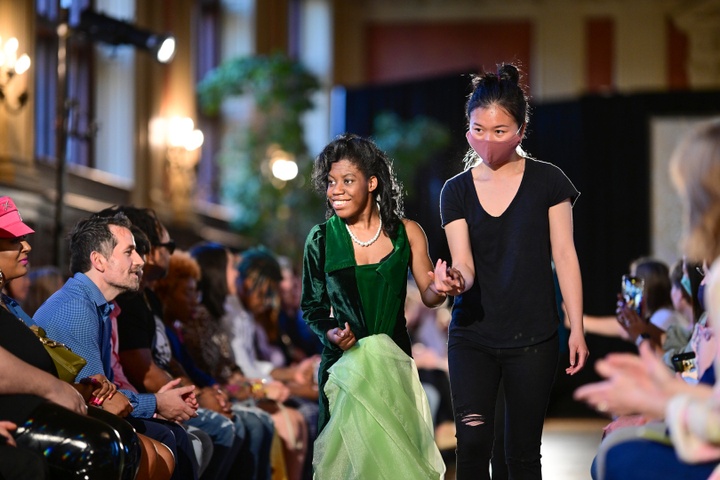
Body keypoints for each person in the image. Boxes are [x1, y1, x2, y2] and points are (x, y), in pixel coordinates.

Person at [431, 64, 589, 479]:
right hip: (472, 337)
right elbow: (463, 263)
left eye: (499, 131)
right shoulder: (456, 190)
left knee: (519, 455)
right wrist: (453, 281)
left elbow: (565, 255)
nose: (487, 140)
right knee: (473, 446)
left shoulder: (550, 182)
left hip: (534, 337)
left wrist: (576, 326)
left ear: (520, 129)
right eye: (477, 129)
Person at [573, 118, 720, 479]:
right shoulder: (687, 321)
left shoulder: (674, 321)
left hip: (698, 425)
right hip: (694, 407)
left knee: (616, 457)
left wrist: (658, 399)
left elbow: (686, 366)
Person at [301, 133, 446, 478]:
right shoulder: (321, 239)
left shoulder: (407, 233)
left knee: (399, 465)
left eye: (347, 180)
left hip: (394, 366)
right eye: (331, 182)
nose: (336, 190)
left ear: (372, 182)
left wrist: (441, 287)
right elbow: (312, 307)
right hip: (344, 371)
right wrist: (331, 332)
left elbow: (430, 294)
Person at [33, 212, 201, 480]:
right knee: (171, 438)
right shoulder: (76, 308)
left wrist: (159, 401)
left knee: (175, 436)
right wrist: (157, 401)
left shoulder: (98, 305)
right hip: (65, 421)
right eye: (130, 252)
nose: (140, 260)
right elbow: (101, 399)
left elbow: (106, 394)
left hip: (82, 413)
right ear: (99, 261)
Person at [0, 195, 142, 479]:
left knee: (124, 438)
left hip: (34, 402)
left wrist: (81, 387)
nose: (26, 245)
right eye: (14, 239)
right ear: (98, 260)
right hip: (18, 408)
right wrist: (56, 388)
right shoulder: (74, 307)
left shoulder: (11, 306)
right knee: (102, 446)